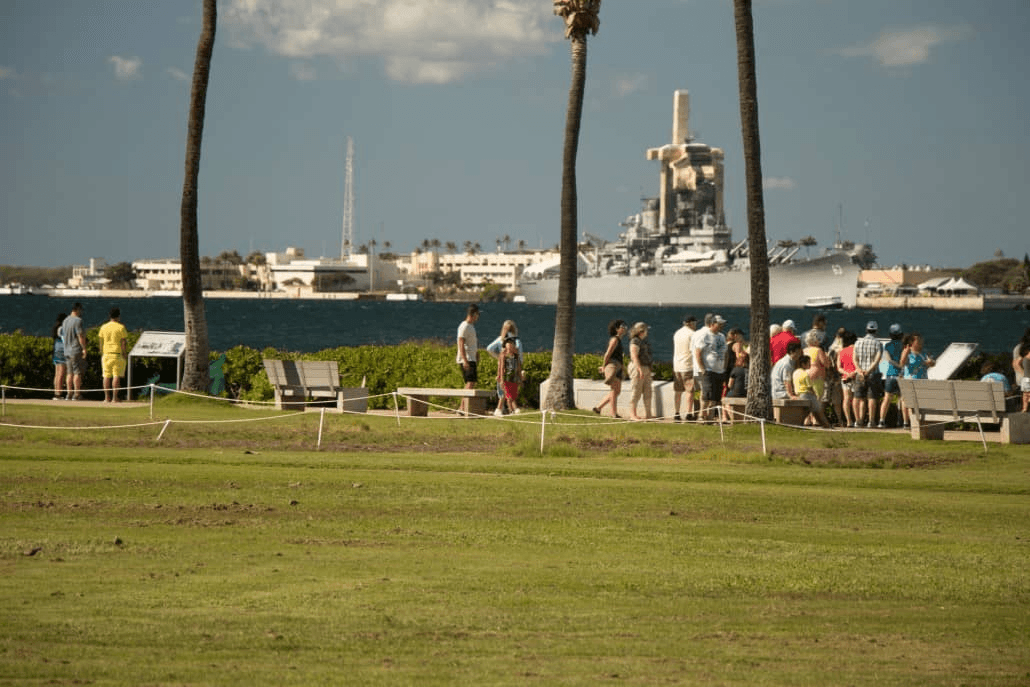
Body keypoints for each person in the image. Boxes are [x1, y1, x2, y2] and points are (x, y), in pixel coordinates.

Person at [693, 313, 728, 422]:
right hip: (708, 370)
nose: (721, 326)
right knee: (706, 395)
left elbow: (725, 353)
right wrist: (702, 369)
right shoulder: (704, 335)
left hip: (719, 370)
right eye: (719, 324)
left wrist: (724, 367)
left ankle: (710, 417)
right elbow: (698, 352)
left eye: (722, 324)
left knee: (715, 397)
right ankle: (701, 415)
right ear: (712, 324)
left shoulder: (721, 336)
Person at [486, 320, 522, 416]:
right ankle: (510, 409)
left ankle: (502, 409)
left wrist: (498, 356)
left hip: (504, 368)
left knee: (503, 390)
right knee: (509, 391)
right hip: (513, 368)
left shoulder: (501, 340)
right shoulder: (516, 340)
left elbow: (489, 348)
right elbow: (520, 355)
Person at [852, 321, 884, 428]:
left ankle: (858, 420)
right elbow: (877, 359)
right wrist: (869, 370)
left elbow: (855, 359)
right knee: (872, 398)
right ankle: (871, 421)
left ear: (866, 330)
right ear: (876, 331)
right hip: (873, 373)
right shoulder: (878, 343)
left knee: (858, 397)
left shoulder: (858, 342)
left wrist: (860, 370)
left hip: (860, 373)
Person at [900, 333, 935, 426]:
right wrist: (906, 351)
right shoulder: (908, 353)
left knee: (920, 402)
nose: (920, 343)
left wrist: (931, 362)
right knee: (906, 401)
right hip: (910, 381)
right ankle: (906, 422)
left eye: (921, 341)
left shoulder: (924, 353)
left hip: (922, 381)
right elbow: (902, 363)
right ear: (912, 343)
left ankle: (918, 421)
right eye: (918, 341)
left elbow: (932, 363)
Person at [594, 320, 627, 418]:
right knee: (614, 390)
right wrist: (603, 366)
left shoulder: (618, 340)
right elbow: (607, 354)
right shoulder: (614, 340)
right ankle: (613, 413)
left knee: (617, 391)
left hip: (618, 366)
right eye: (622, 326)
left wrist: (623, 368)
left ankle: (598, 408)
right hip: (612, 366)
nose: (624, 328)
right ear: (617, 329)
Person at [98, 307, 129, 402]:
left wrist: (101, 352)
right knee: (116, 376)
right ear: (118, 316)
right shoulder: (121, 327)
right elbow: (123, 342)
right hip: (117, 354)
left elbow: (101, 341)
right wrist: (124, 353)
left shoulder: (104, 327)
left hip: (106, 354)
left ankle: (106, 397)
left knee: (106, 376)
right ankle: (115, 398)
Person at [878, 323, 906, 428]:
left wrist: (896, 365)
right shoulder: (904, 345)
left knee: (887, 398)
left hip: (890, 374)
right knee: (902, 399)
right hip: (902, 375)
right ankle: (905, 422)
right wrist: (901, 366)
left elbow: (888, 359)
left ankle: (881, 421)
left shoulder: (887, 345)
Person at [793, 354, 831, 428]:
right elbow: (810, 387)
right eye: (808, 363)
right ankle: (826, 425)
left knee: (808, 411)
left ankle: (799, 424)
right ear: (803, 364)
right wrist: (815, 395)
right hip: (807, 394)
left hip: (799, 394)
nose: (810, 365)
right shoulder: (805, 374)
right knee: (818, 409)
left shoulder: (795, 372)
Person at [455, 304, 480, 415]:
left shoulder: (471, 326)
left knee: (471, 382)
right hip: (467, 358)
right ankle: (462, 407)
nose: (478, 317)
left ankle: (463, 407)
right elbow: (461, 343)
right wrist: (465, 360)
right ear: (473, 314)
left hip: (472, 357)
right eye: (477, 314)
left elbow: (471, 343)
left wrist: (476, 354)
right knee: (470, 382)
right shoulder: (464, 326)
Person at [672, 315, 697, 422]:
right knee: (689, 391)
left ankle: (677, 413)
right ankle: (689, 413)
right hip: (688, 366)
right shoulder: (692, 334)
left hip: (677, 366)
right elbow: (694, 351)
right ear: (691, 323)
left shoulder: (677, 333)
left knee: (678, 391)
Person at [59, 303, 87, 400]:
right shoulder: (78, 321)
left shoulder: (65, 321)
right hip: (75, 350)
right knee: (77, 372)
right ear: (78, 310)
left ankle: (69, 393)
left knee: (69, 373)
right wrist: (84, 348)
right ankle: (76, 394)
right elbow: (80, 335)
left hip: (66, 350)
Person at [627, 322, 654, 421]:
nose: (647, 332)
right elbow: (634, 356)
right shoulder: (635, 341)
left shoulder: (643, 341)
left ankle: (648, 414)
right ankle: (633, 414)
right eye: (646, 330)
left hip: (646, 367)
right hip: (638, 368)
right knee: (636, 391)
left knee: (648, 392)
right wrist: (639, 369)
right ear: (641, 331)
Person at [802, 330, 830, 409]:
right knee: (817, 400)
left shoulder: (804, 351)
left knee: (808, 401)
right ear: (815, 341)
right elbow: (826, 364)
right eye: (818, 340)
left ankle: (808, 416)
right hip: (817, 376)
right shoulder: (818, 350)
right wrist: (827, 357)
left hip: (805, 375)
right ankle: (815, 416)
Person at [825, 327, 847, 426]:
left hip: (829, 376)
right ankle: (840, 420)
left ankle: (816, 419)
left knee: (825, 399)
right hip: (837, 376)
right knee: (837, 401)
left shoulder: (832, 346)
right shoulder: (842, 347)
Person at [836, 330, 858, 427]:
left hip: (845, 378)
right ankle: (858, 419)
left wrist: (847, 373)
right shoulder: (856, 350)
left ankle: (849, 421)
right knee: (856, 399)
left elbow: (839, 367)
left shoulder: (842, 351)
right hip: (856, 377)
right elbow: (859, 365)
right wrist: (853, 373)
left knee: (846, 399)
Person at [496, 335, 522, 415]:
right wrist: (501, 378)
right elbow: (501, 367)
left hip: (514, 378)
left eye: (511, 345)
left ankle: (504, 410)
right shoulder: (503, 356)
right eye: (508, 345)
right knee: (508, 395)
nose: (510, 347)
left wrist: (520, 377)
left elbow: (518, 367)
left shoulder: (516, 356)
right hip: (506, 378)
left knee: (512, 395)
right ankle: (513, 410)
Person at [722, 350, 748, 422]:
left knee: (724, 401)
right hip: (745, 393)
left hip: (736, 392)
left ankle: (725, 417)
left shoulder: (735, 370)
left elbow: (729, 385)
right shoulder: (748, 370)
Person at [51, 312, 67, 400]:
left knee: (57, 373)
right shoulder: (62, 328)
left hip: (56, 350)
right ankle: (59, 393)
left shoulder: (56, 327)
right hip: (62, 351)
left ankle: (56, 392)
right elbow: (65, 340)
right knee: (61, 372)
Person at [1013, 329, 1030, 413]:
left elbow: (1016, 364)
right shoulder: (1023, 349)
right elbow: (1016, 364)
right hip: (1026, 379)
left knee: (1025, 398)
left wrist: (1023, 375)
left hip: (1024, 380)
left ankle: (1024, 410)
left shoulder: (1021, 349)